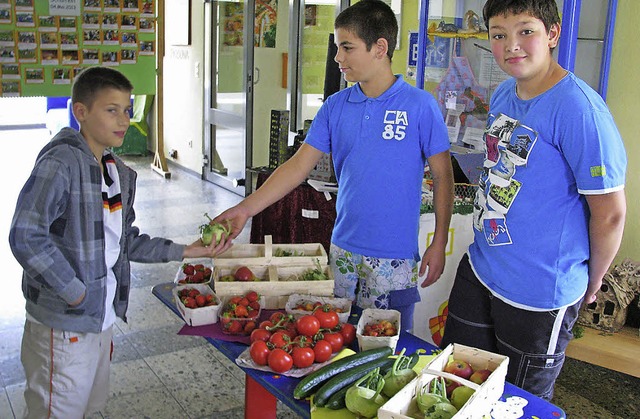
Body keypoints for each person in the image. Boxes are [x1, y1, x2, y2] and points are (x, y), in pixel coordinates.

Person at [214, 0, 454, 332]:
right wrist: (244, 209)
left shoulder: (419, 106)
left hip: (393, 257)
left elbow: (443, 176)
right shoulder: (335, 106)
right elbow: (296, 167)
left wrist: (439, 239)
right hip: (342, 249)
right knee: (334, 337)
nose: (338, 57)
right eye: (337, 46)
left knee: (385, 347)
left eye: (346, 47)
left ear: (379, 48)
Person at [8, 67, 226, 418]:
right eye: (111, 110)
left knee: (90, 407)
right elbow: (25, 235)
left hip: (101, 316)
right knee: (56, 411)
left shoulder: (116, 171)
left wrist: (187, 250)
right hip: (64, 324)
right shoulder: (61, 163)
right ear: (81, 112)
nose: (124, 119)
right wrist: (76, 292)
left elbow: (126, 241)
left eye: (126, 109)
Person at [440, 0, 627, 401]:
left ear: (553, 34)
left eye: (526, 31)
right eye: (499, 35)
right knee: (455, 387)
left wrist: (593, 280)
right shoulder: (506, 92)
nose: (512, 45)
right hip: (482, 266)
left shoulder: (579, 110)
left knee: (517, 403)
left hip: (539, 291)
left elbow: (610, 213)